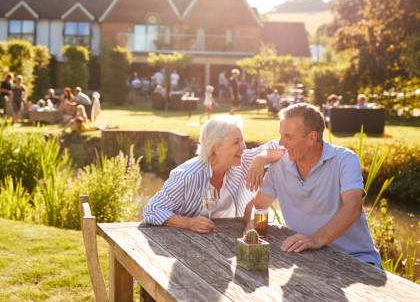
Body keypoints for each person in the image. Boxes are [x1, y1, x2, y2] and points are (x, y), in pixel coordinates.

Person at [243, 103, 382, 267]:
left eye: (288, 136)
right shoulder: (279, 166)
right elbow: (259, 205)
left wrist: (315, 239)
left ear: (312, 137)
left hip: (356, 260)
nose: (281, 143)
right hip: (308, 259)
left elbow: (353, 207)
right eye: (281, 135)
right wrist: (252, 225)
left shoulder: (345, 160)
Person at [143, 115, 284, 233]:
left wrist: (261, 158)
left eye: (242, 140)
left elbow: (284, 146)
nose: (244, 147)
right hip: (189, 244)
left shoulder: (244, 160)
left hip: (231, 238)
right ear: (216, 148)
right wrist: (189, 223)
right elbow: (152, 210)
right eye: (236, 142)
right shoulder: (186, 175)